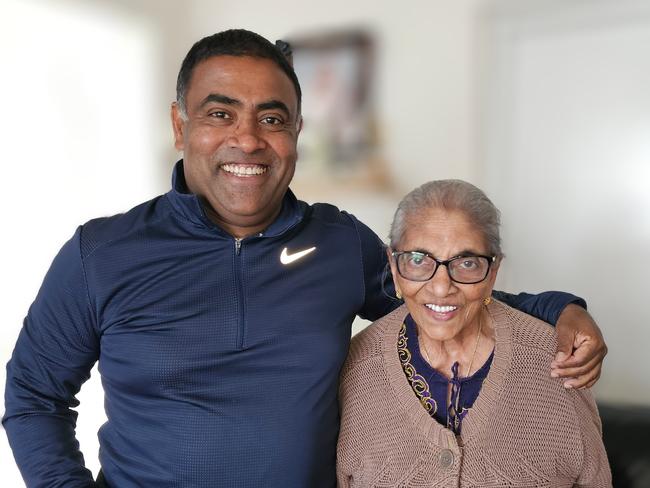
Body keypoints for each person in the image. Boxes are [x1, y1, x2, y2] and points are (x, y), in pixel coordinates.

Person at [3, 30, 606, 488]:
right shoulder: (101, 252)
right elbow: (32, 396)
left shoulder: (340, 243)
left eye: (272, 119)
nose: (248, 139)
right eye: (220, 114)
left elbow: (438, 292)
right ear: (180, 126)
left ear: (295, 133)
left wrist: (560, 309)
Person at [336, 180, 612, 487]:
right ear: (393, 265)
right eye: (418, 260)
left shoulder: (555, 363)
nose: (441, 287)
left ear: (493, 272)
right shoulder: (355, 369)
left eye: (467, 263)